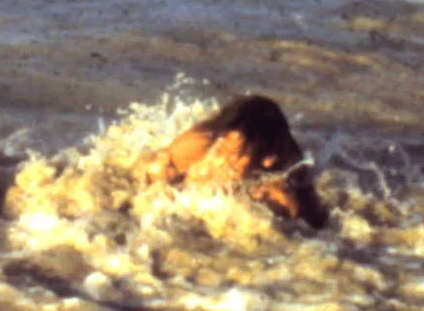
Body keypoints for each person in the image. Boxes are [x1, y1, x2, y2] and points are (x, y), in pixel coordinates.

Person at [141, 94, 329, 229]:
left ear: (267, 160)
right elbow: (151, 169)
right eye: (223, 150)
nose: (222, 160)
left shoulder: (284, 181)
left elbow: (308, 222)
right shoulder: (203, 140)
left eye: (234, 157)